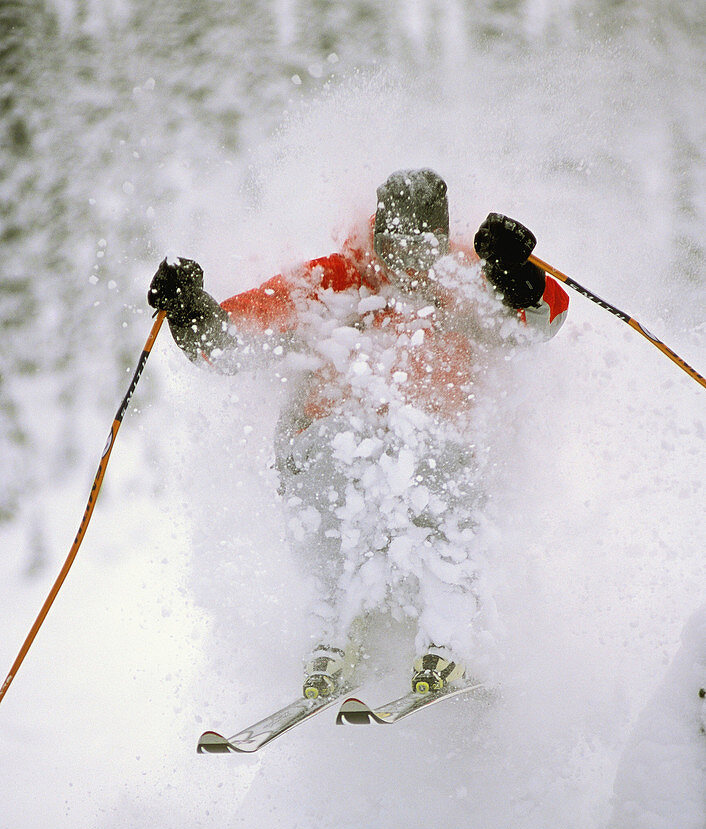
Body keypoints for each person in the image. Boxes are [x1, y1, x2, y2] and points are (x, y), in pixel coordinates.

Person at [149, 169, 569, 699]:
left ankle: (448, 633)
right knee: (340, 447)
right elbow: (233, 339)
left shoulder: (464, 280)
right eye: (394, 243)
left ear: (440, 240)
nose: (407, 260)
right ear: (378, 233)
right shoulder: (334, 282)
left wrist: (517, 276)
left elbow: (538, 322)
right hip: (328, 451)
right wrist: (192, 313)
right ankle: (330, 631)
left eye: (422, 246)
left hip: (431, 460)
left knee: (437, 452)